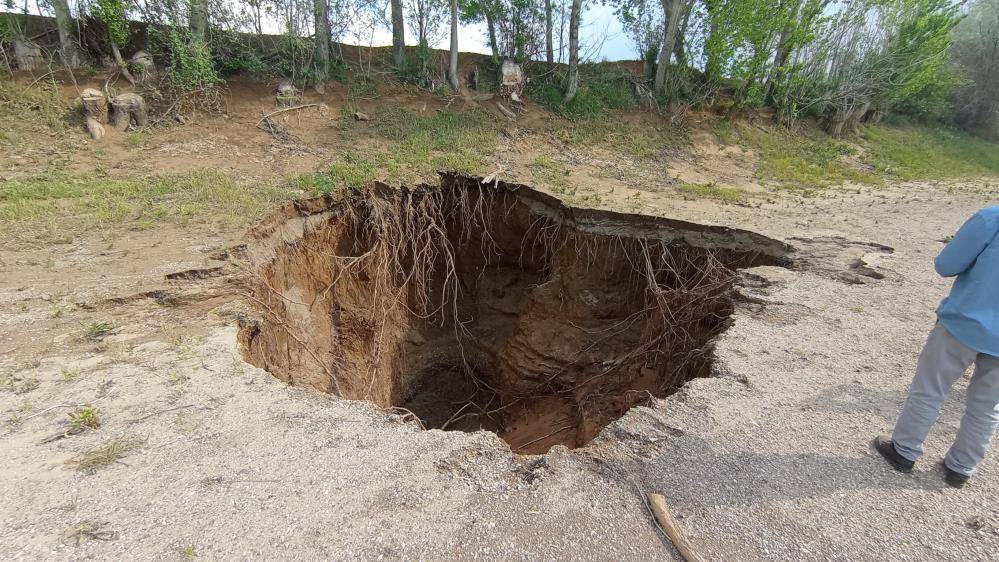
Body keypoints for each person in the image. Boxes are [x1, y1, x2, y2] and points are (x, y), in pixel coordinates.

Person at [874, 206, 999, 488]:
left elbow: (946, 265)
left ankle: (904, 450)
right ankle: (962, 467)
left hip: (965, 322)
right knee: (988, 405)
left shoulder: (992, 218)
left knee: (931, 388)